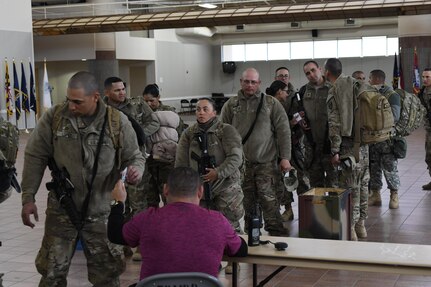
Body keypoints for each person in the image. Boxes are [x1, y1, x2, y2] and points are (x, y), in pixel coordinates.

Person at [20, 71, 146, 286]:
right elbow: (35, 155)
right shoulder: (55, 118)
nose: (71, 106)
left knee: (107, 276)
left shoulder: (117, 122)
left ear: (95, 97)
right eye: (69, 100)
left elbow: (135, 156)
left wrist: (136, 170)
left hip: (102, 211)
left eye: (78, 102)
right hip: (63, 209)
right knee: (51, 273)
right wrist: (28, 197)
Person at [107, 167, 247, 282]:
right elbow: (241, 251)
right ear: (200, 191)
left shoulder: (147, 219)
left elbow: (114, 235)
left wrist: (117, 202)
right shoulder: (218, 221)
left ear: (166, 190)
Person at [221, 67, 291, 236]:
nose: (250, 85)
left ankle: (276, 232)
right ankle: (252, 235)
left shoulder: (271, 103)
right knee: (247, 202)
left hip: (266, 162)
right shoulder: (231, 105)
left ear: (259, 83)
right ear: (241, 82)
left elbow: (283, 131)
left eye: (253, 82)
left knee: (270, 201)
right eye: (246, 81)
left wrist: (285, 158)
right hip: (241, 165)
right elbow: (222, 132)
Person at [324, 58, 370, 241]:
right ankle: (361, 226)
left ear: (327, 73)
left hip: (347, 148)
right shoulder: (358, 85)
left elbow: (334, 123)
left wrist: (335, 150)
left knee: (350, 188)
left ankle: (350, 228)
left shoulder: (335, 89)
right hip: (364, 146)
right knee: (364, 184)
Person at [293, 60, 338, 189]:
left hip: (329, 144)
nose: (311, 75)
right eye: (307, 73)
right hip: (311, 145)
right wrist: (300, 120)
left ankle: (332, 209)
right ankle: (319, 210)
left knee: (333, 184)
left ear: (319, 69)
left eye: (313, 70)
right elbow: (294, 111)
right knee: (315, 184)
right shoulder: (302, 91)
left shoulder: (333, 88)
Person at [274, 68, 311, 221]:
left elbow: (304, 117)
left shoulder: (297, 95)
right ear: (276, 77)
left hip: (296, 144)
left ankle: (307, 211)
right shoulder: (271, 97)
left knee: (302, 178)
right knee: (284, 178)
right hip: (279, 146)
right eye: (280, 76)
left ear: (290, 77)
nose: (283, 78)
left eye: (286, 76)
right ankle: (288, 209)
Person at [143, 83, 185, 208]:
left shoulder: (169, 112)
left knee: (168, 196)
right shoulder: (142, 114)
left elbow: (180, 133)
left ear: (158, 97)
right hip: (149, 162)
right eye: (146, 101)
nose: (149, 104)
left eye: (152, 100)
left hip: (167, 162)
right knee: (150, 199)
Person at [367, 69, 401, 209]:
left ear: (375, 79)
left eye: (370, 78)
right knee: (374, 169)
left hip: (387, 140)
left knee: (390, 168)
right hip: (373, 140)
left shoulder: (392, 95)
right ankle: (376, 195)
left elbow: (395, 116)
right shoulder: (370, 94)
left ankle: (394, 195)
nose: (368, 81)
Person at [420, 68, 431, 190]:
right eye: (423, 77)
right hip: (429, 130)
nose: (425, 79)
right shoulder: (422, 92)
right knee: (429, 157)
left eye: (427, 77)